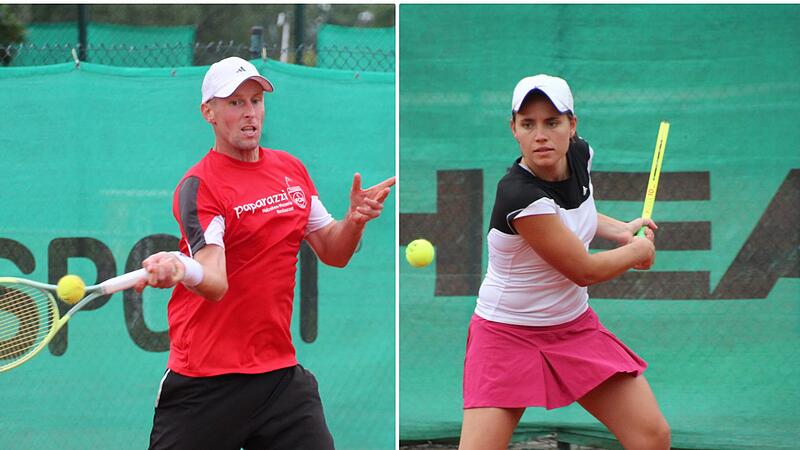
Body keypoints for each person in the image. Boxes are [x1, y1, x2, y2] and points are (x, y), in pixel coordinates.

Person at [134, 56, 395, 450]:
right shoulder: (200, 186)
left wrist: (355, 220)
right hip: (205, 382)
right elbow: (215, 280)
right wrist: (181, 267)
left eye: (256, 100)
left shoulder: (291, 170)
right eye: (235, 103)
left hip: (278, 379)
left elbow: (333, 250)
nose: (249, 113)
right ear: (208, 112)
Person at [458, 75, 670, 450]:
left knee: (651, 436)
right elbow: (582, 270)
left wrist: (621, 230)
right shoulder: (518, 195)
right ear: (514, 130)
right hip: (505, 335)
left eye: (552, 122)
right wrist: (637, 251)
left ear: (572, 126)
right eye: (528, 124)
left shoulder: (580, 154)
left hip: (574, 329)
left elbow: (576, 214)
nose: (540, 135)